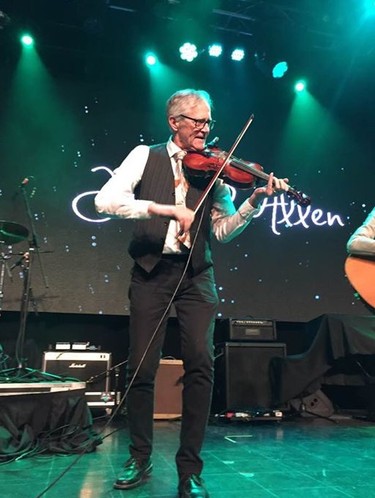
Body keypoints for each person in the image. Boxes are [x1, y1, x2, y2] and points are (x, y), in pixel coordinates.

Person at [94, 89, 289, 498]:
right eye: (197, 121)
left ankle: (190, 471)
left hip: (197, 276)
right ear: (174, 122)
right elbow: (105, 200)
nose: (205, 129)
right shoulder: (144, 156)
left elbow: (221, 231)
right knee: (142, 371)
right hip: (151, 272)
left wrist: (253, 201)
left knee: (201, 365)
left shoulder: (215, 170)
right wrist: (165, 210)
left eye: (208, 122)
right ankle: (140, 457)